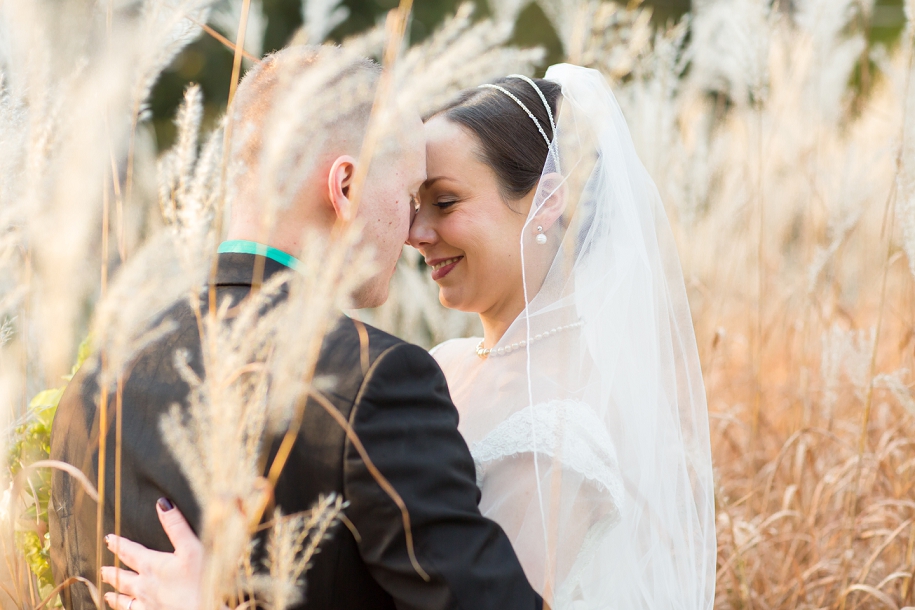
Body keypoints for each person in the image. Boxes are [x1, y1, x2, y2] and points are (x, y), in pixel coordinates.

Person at [99, 65, 716, 610]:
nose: (415, 230)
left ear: (547, 202)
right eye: (414, 199)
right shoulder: (436, 368)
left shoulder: (562, 417)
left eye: (444, 201)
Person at [49, 46, 544, 610]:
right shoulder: (373, 381)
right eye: (409, 196)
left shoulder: (96, 377)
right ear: (347, 188)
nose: (412, 231)